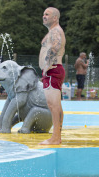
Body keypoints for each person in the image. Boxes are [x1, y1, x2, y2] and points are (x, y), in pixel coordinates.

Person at [39, 7, 66, 145]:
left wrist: (47, 66)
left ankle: (55, 137)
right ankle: (57, 136)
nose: (44, 16)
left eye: (47, 14)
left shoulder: (55, 31)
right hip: (54, 70)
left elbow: (55, 47)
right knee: (55, 105)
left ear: (55, 17)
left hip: (52, 70)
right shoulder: (53, 31)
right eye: (43, 14)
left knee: (53, 105)